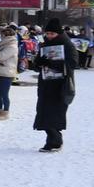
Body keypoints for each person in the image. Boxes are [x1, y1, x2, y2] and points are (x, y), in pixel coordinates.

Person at [34, 18, 76, 152]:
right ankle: (53, 140)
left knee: (54, 113)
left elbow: (73, 64)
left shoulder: (68, 45)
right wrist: (39, 62)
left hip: (60, 85)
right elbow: (36, 65)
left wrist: (53, 64)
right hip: (45, 84)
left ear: (59, 33)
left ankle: (54, 142)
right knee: (43, 112)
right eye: (48, 33)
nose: (49, 36)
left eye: (52, 34)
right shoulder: (44, 45)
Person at [0, 24, 19, 120]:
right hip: (0, 71)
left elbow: (2, 56)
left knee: (4, 93)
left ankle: (5, 112)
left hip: (7, 73)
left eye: (3, 35)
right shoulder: (2, 44)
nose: (1, 36)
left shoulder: (12, 46)